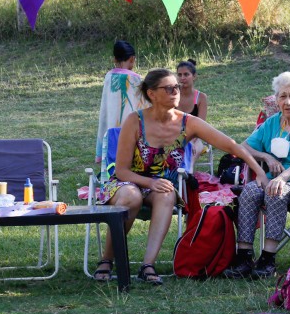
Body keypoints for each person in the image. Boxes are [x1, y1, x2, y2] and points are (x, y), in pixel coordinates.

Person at [92, 68, 267, 285]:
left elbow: (231, 145)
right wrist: (150, 182)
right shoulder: (135, 121)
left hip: (161, 185)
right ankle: (108, 258)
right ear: (152, 94)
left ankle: (148, 265)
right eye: (169, 88)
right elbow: (121, 171)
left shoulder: (188, 122)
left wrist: (259, 172)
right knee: (132, 196)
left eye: (177, 86)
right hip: (126, 183)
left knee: (166, 194)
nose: (177, 90)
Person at [225, 72, 290, 280]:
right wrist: (266, 157)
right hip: (275, 178)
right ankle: (244, 256)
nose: (288, 102)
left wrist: (283, 177)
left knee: (276, 191)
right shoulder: (272, 123)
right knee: (251, 190)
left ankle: (267, 258)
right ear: (276, 99)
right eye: (282, 96)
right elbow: (242, 147)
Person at [95, 40, 144, 163]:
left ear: (114, 59)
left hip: (111, 119)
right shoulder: (134, 78)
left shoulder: (109, 76)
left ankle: (109, 160)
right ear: (132, 59)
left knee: (112, 138)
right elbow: (142, 101)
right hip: (129, 120)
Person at [176, 59, 210, 168]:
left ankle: (188, 174)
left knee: (196, 147)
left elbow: (201, 125)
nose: (182, 78)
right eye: (179, 75)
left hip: (195, 135)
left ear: (194, 76)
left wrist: (190, 141)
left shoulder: (201, 97)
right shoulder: (172, 94)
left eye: (186, 74)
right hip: (173, 133)